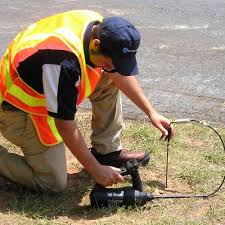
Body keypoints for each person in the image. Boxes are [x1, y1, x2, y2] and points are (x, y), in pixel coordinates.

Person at [0, 10, 173, 192]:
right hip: (18, 109)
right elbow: (64, 123)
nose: (114, 68)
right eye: (110, 62)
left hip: (49, 82)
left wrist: (151, 112)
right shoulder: (63, 63)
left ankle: (106, 152)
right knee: (53, 183)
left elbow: (117, 74)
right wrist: (95, 169)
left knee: (109, 77)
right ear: (96, 44)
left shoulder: (97, 25)